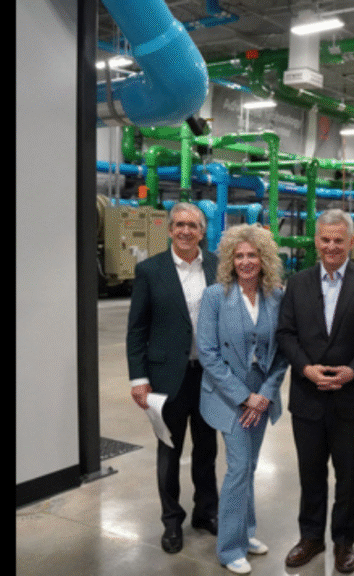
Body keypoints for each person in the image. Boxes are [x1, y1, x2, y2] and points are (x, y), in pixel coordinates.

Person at [276, 209, 354, 574]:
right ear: (315, 241)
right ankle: (311, 537)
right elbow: (285, 334)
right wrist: (306, 369)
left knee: (348, 475)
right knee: (310, 472)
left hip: (353, 396)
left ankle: (344, 541)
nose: (331, 246)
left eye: (338, 240)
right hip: (309, 395)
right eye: (325, 239)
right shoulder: (297, 283)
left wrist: (352, 371)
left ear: (351, 242)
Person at [126, 202, 219, 554]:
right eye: (179, 224)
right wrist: (139, 379)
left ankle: (206, 513)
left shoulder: (216, 266)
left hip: (209, 377)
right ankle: (171, 521)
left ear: (202, 230)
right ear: (169, 229)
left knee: (207, 451)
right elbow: (137, 329)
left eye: (192, 225)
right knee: (169, 452)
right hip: (166, 378)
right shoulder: (151, 270)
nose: (185, 231)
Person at [196, 224, 289, 574]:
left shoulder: (275, 297)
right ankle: (230, 547)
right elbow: (207, 353)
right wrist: (243, 396)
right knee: (238, 468)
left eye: (252, 255)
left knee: (249, 465)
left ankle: (246, 532)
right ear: (230, 260)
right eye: (239, 255)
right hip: (228, 394)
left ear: (264, 258)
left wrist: (264, 395)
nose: (246, 262)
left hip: (261, 397)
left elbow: (282, 353)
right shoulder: (215, 296)